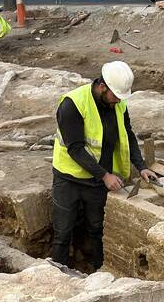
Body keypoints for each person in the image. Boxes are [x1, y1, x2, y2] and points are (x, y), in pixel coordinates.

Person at [51, 61, 156, 271]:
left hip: (98, 181)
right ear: (102, 86)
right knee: (63, 232)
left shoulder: (118, 104)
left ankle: (100, 271)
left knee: (98, 228)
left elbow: (128, 136)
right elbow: (75, 148)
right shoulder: (73, 104)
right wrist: (105, 175)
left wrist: (142, 166)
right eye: (115, 95)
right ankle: (57, 273)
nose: (118, 101)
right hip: (69, 178)